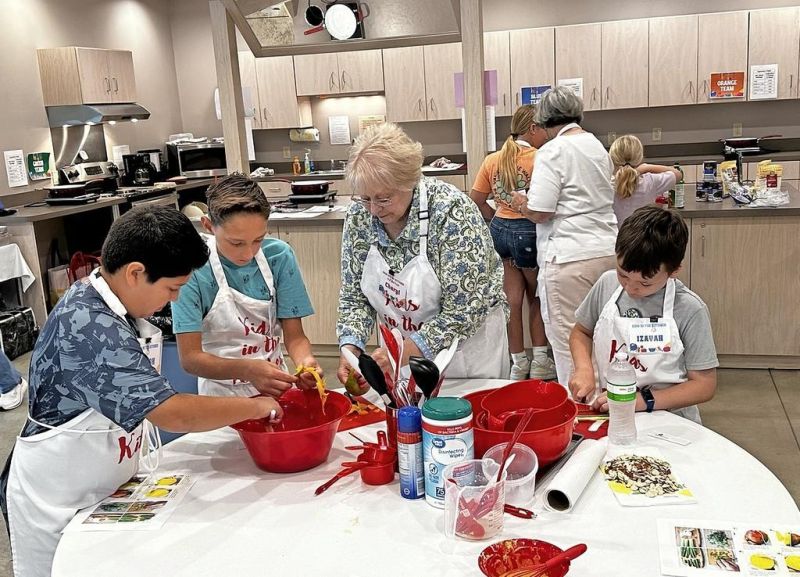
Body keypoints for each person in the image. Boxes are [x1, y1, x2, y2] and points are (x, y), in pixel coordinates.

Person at [0, 206, 283, 577]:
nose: (175, 300)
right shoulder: (90, 327)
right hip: (58, 495)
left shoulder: (106, 298)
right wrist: (257, 407)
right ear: (135, 273)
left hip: (101, 481)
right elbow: (173, 412)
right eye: (172, 288)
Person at [337, 122, 509, 386]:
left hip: (465, 355)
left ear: (410, 181)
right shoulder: (360, 217)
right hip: (400, 354)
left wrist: (400, 353)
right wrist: (350, 350)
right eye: (365, 198)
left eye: (384, 198)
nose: (373, 210)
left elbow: (463, 312)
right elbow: (354, 296)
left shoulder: (452, 211)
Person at [172, 173, 320, 397]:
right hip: (220, 399)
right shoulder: (192, 270)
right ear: (209, 226)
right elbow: (191, 359)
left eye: (258, 240)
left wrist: (305, 362)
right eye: (236, 243)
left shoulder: (279, 257)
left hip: (276, 389)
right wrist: (248, 370)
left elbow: (295, 336)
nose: (248, 253)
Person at [569, 206, 718, 424]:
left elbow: (704, 385)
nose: (630, 288)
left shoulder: (689, 309)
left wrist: (642, 400)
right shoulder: (607, 284)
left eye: (645, 283)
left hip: (669, 420)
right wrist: (583, 369)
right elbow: (581, 331)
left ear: (673, 271)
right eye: (623, 274)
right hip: (611, 412)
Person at [511, 86, 618, 388]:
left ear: (543, 121)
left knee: (571, 349)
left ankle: (582, 422)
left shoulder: (552, 151)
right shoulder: (596, 145)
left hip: (570, 258)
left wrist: (522, 202)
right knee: (605, 342)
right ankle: (610, 415)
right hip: (607, 253)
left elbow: (541, 210)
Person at [470, 104, 556, 381]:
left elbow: (477, 200)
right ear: (532, 128)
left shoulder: (492, 159)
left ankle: (518, 363)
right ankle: (541, 362)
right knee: (537, 298)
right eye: (544, 127)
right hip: (529, 233)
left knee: (512, 302)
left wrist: (497, 216)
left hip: (499, 232)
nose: (547, 134)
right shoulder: (541, 158)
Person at [609, 134, 681, 223]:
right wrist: (646, 167)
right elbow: (678, 174)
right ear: (640, 157)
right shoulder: (650, 181)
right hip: (643, 235)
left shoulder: (606, 183)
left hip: (615, 236)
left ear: (612, 159)